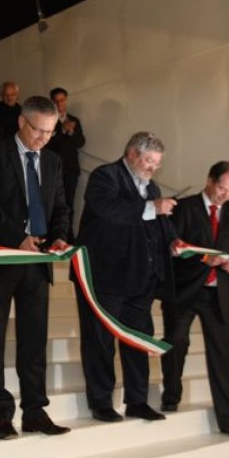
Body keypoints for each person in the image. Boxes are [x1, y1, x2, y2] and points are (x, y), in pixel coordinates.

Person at [0, 96, 71, 440]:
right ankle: (0, 412)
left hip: (37, 262)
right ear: (21, 123)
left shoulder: (53, 161)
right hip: (0, 260)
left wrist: (59, 237)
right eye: (38, 130)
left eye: (50, 132)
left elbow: (60, 207)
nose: (43, 138)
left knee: (34, 341)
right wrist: (17, 238)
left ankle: (35, 411)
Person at [73, 131, 177, 423]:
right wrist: (153, 208)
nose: (153, 168)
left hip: (140, 279)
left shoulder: (152, 187)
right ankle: (101, 402)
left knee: (138, 341)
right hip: (104, 277)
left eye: (157, 163)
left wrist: (173, 241)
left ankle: (137, 401)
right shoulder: (104, 176)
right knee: (100, 341)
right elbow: (110, 211)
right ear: (132, 153)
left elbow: (156, 225)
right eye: (149, 161)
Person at [161, 161, 229, 437]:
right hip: (185, 290)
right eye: (222, 188)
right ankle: (171, 395)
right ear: (210, 181)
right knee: (175, 343)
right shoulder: (183, 208)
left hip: (221, 295)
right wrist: (197, 256)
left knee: (223, 357)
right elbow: (170, 247)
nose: (226, 195)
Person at [46, 87, 85, 241]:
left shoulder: (74, 121)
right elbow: (47, 144)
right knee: (51, 203)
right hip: (52, 170)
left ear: (66, 101)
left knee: (69, 204)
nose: (59, 104)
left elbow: (80, 142)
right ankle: (51, 234)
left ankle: (67, 235)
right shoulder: (48, 120)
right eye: (56, 101)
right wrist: (62, 130)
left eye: (62, 100)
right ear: (52, 102)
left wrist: (71, 132)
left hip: (70, 169)